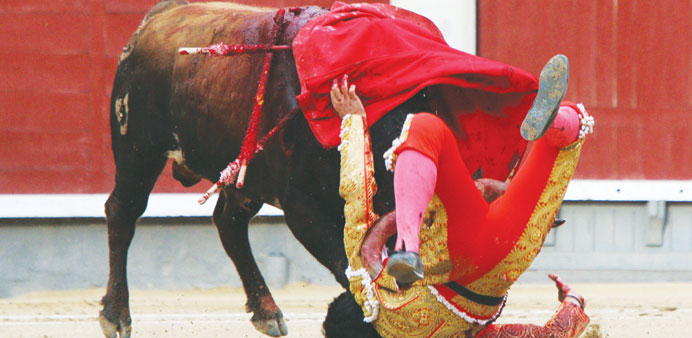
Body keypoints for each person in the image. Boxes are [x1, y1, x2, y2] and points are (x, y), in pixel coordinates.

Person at [332, 55, 593, 337]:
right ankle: (408, 246)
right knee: (425, 129)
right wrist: (354, 121)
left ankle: (557, 121)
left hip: (507, 255)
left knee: (571, 132)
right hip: (453, 245)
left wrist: (573, 303)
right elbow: (356, 198)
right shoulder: (370, 297)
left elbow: (549, 336)